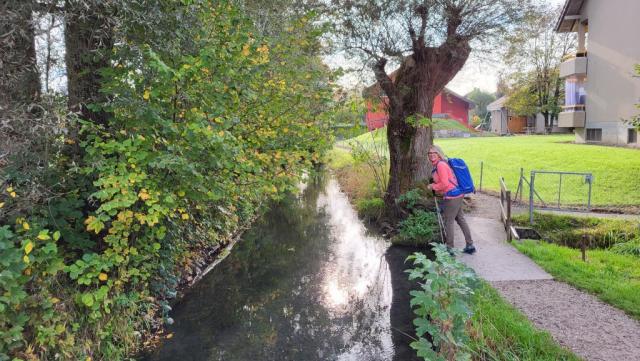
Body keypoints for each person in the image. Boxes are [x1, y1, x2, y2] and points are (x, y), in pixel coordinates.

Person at [426, 145, 476, 255]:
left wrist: (433, 186)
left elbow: (444, 184)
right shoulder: (441, 164)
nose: (431, 155)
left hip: (452, 196)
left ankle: (450, 248)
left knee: (449, 221)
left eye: (434, 152)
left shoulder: (441, 165)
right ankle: (470, 245)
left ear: (439, 153)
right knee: (460, 219)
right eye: (429, 153)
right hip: (457, 194)